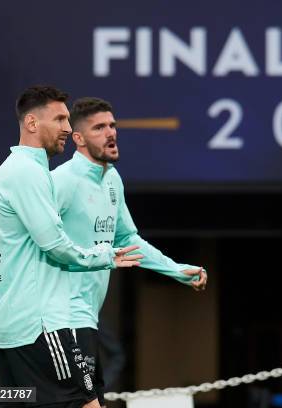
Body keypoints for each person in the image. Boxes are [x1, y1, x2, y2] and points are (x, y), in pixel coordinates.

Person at [0, 85, 142, 408]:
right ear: (31, 123)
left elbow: (4, 256)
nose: (68, 129)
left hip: (9, 329)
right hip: (42, 327)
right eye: (59, 119)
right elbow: (54, 244)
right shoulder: (27, 172)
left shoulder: (8, 173)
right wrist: (105, 255)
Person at [50, 96, 207, 406]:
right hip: (61, 319)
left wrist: (176, 270)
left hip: (86, 319)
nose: (111, 133)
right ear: (77, 138)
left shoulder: (112, 180)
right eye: (99, 127)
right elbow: (25, 242)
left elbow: (129, 241)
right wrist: (5, 307)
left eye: (112, 125)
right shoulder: (61, 182)